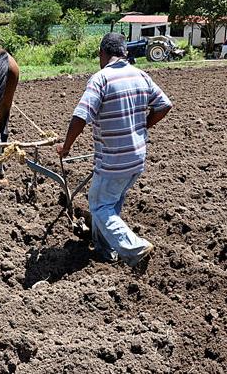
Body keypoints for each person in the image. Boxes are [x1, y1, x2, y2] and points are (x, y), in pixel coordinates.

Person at [56, 33, 172, 267]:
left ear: (102, 54)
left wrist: (66, 146)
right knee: (111, 204)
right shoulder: (141, 75)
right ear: (125, 53)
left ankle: (134, 247)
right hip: (137, 159)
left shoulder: (101, 79)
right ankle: (105, 250)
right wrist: (141, 126)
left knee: (99, 205)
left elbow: (81, 115)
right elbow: (164, 105)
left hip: (113, 161)